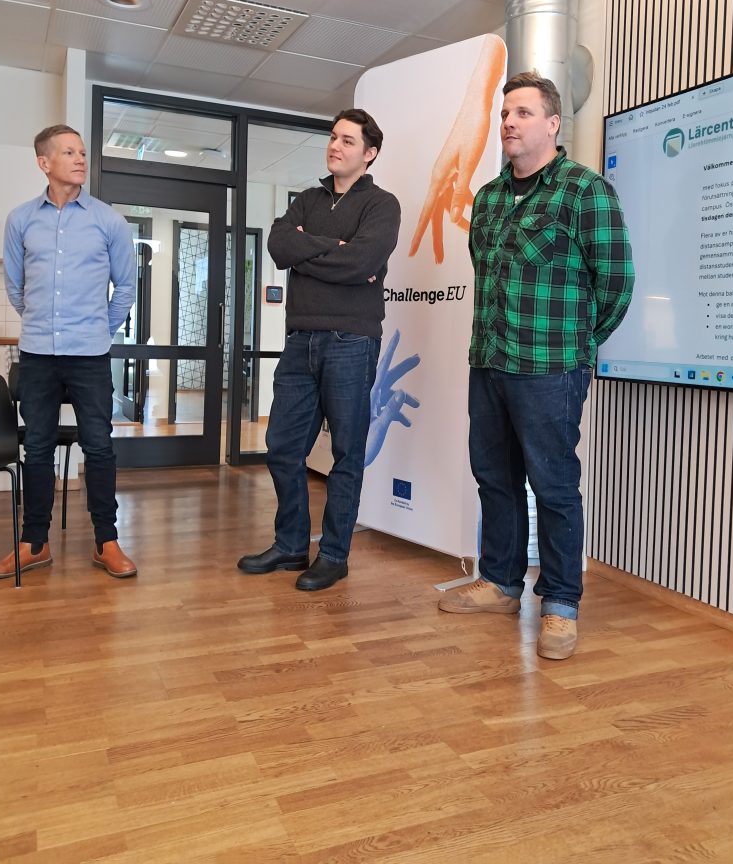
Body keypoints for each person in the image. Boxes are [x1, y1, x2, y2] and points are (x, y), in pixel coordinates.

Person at [437, 71, 634, 659]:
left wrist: (575, 349)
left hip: (552, 369)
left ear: (553, 124)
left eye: (522, 113)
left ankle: (560, 604)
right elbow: (484, 271)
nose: (508, 123)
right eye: (504, 113)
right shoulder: (491, 198)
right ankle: (500, 583)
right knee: (494, 478)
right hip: (490, 361)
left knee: (553, 487)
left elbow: (617, 284)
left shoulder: (584, 191)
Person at [237, 109, 400, 591]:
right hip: (299, 340)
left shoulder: (381, 205)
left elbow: (364, 261)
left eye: (348, 141)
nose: (335, 146)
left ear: (369, 154)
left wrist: (314, 251)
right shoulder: (306, 200)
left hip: (352, 341)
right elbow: (280, 246)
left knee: (346, 453)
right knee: (282, 448)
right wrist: (334, 251)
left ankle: (333, 554)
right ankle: (290, 546)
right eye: (333, 137)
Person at [0, 125, 137, 580]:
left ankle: (106, 541)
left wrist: (99, 328)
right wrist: (42, 325)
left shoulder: (107, 220)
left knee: (99, 446)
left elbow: (126, 288)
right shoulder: (20, 220)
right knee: (36, 448)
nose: (80, 159)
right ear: (44, 163)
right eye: (69, 152)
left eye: (82, 152)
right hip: (36, 355)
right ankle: (34, 543)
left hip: (90, 356)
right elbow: (16, 289)